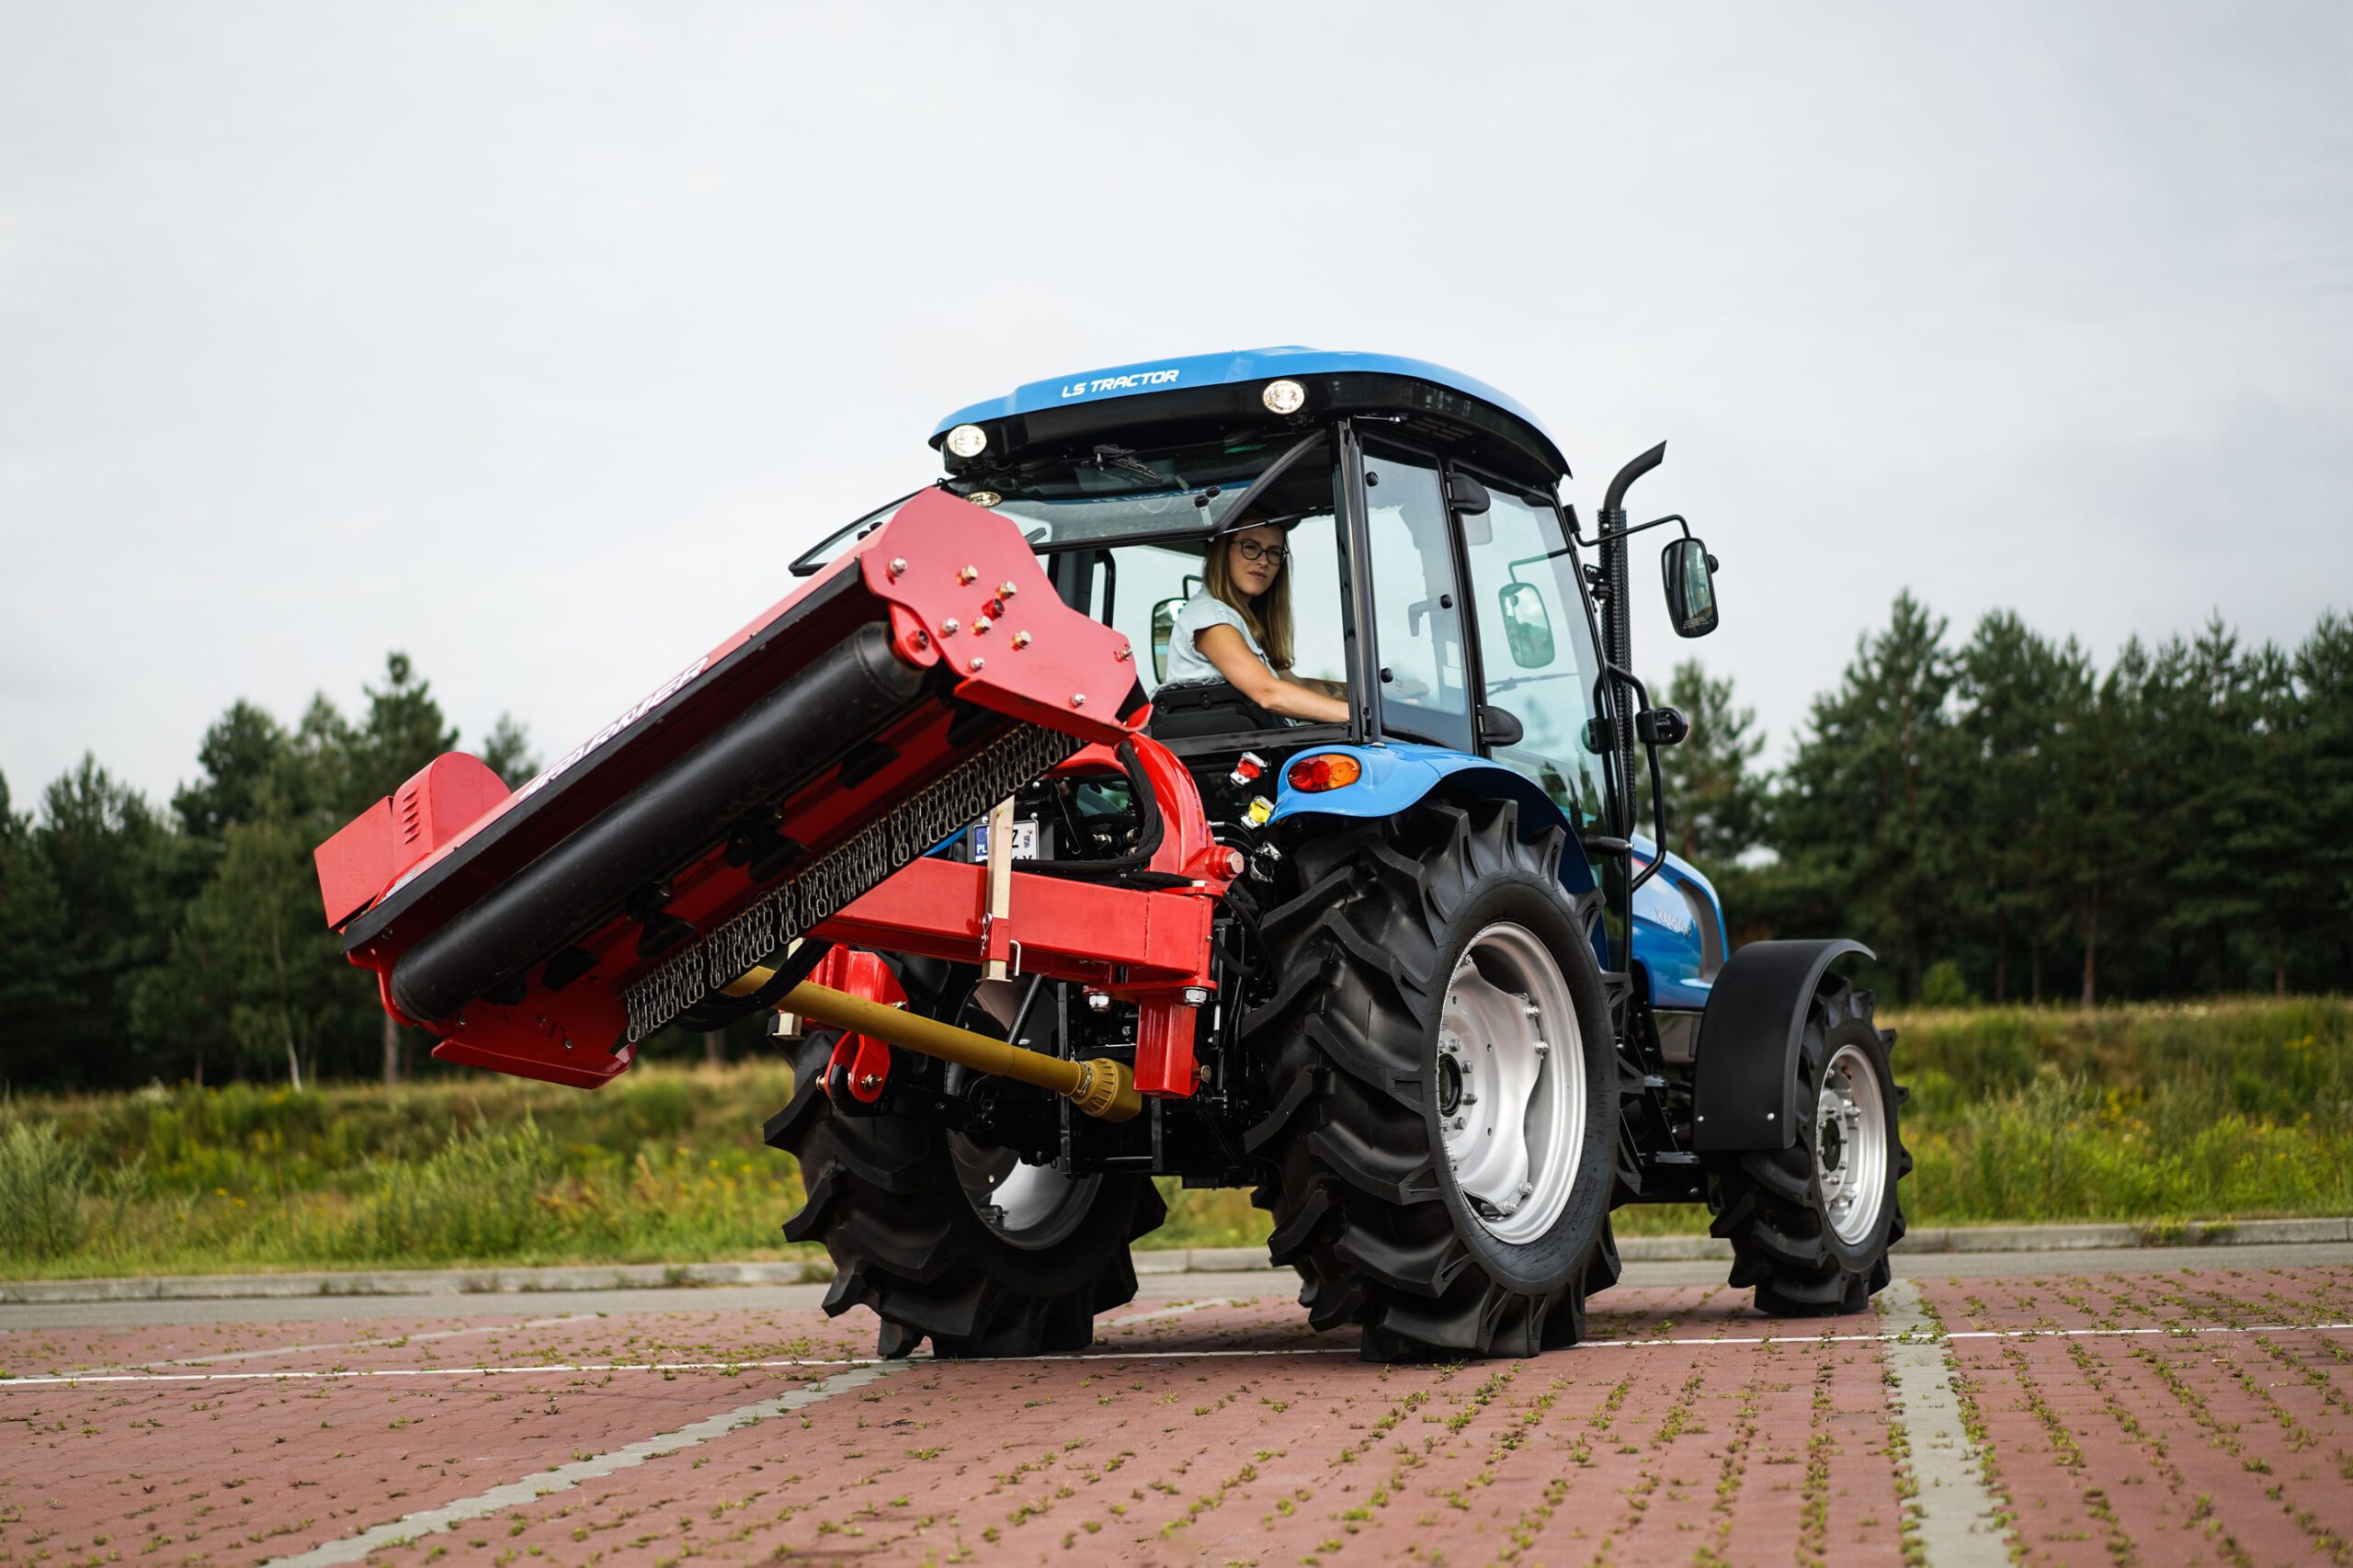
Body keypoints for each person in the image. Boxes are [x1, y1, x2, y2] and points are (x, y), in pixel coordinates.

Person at [1163, 517, 1349, 723]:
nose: (1263, 561)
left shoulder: (1240, 623)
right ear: (1223, 551)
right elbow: (1269, 693)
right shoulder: (1211, 619)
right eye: (1250, 547)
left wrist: (1374, 694)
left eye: (1274, 552)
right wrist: (1359, 717)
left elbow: (1297, 686)